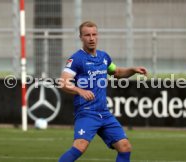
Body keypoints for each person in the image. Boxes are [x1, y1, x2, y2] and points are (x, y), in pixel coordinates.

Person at [58, 21, 147, 162]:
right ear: (81, 37)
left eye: (94, 34)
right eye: (87, 35)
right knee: (79, 147)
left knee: (125, 147)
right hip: (86, 111)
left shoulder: (103, 57)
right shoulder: (76, 59)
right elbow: (63, 82)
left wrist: (133, 70)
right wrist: (79, 90)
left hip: (104, 113)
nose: (91, 38)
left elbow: (116, 72)